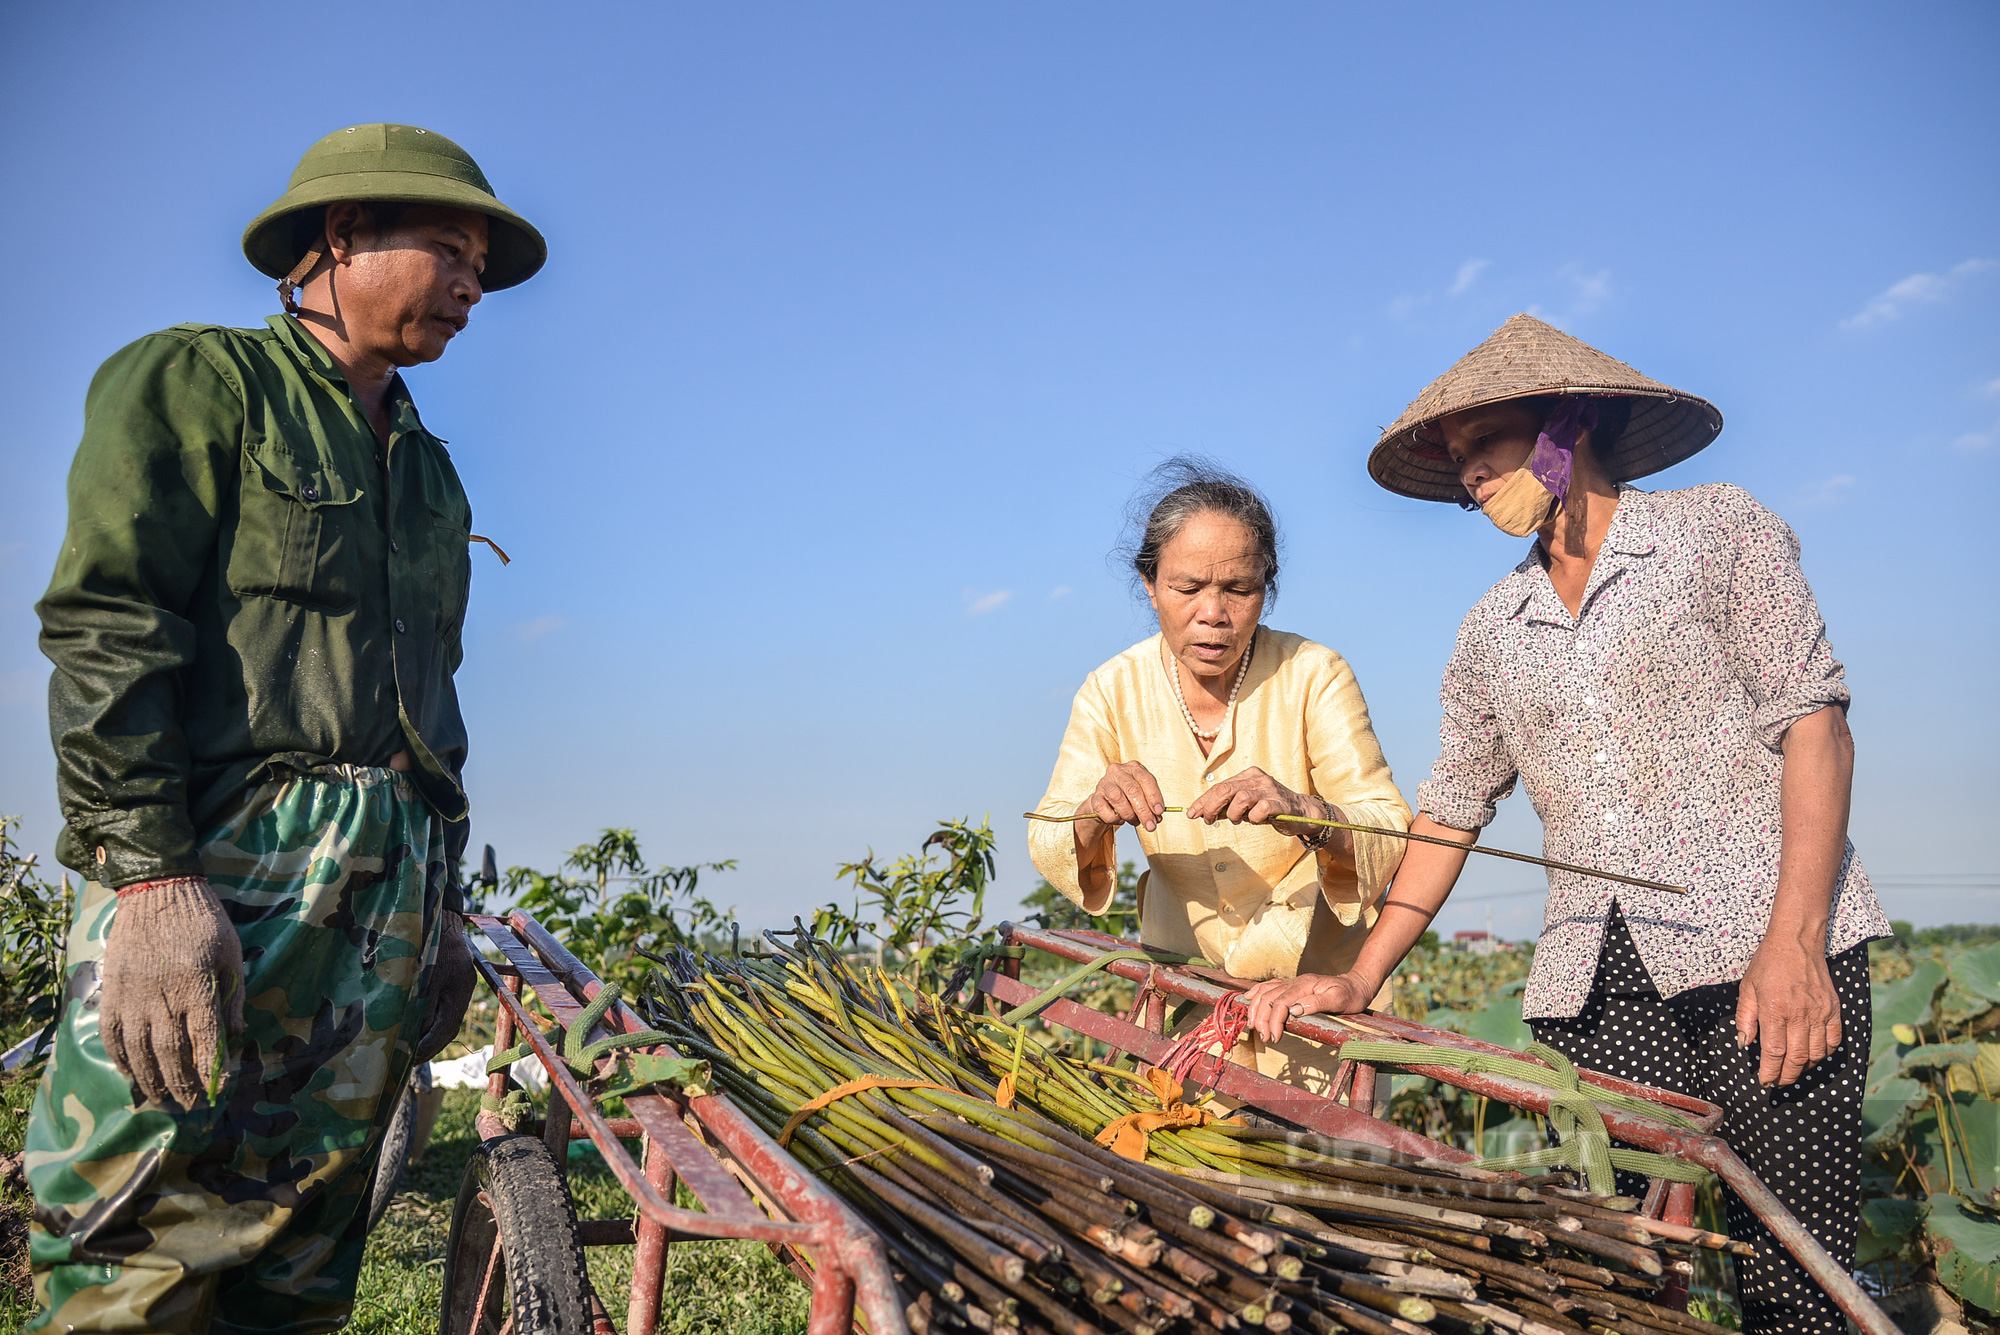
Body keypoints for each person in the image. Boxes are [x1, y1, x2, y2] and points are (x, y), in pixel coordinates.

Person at [1243, 315, 1889, 1335]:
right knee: (1623, 1276)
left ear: (1566, 423)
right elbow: (1449, 811)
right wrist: (1358, 979)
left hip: (1758, 950)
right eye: (1453, 460)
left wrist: (1795, 946)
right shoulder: (1488, 631)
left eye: (1483, 444)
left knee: (1792, 1279)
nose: (1466, 473)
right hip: (1596, 982)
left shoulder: (1715, 531)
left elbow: (1813, 727)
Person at [29, 123, 546, 1334]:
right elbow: (111, 624)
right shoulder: (198, 382)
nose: (471, 284)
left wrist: (443, 914)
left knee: (304, 1239)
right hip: (218, 873)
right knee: (135, 1235)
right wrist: (150, 877)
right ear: (342, 237)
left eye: (483, 263)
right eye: (448, 249)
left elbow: (436, 700)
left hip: (383, 890)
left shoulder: (429, 471)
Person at [1028, 459, 1412, 1092]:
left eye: (1239, 588)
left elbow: (1389, 827)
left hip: (1314, 1005)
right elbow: (1048, 831)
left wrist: (1308, 812)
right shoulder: (1110, 690)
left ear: (1267, 586)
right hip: (1187, 999)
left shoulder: (1315, 674)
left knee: (1314, 1175)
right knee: (1189, 1163)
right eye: (1187, 588)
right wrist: (1095, 811)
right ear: (1149, 583)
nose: (1214, 612)